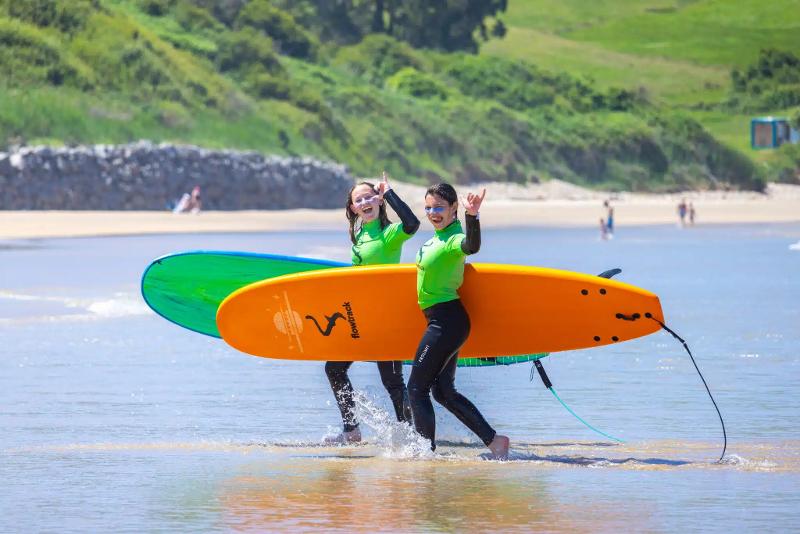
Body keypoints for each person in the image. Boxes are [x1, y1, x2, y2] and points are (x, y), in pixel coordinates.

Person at [407, 183, 510, 459]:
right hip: (443, 320)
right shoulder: (434, 239)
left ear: (454, 208)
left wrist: (472, 216)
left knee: (416, 388)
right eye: (428, 208)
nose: (432, 213)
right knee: (442, 391)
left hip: (446, 321)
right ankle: (495, 442)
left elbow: (471, 246)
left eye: (439, 207)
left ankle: (424, 453)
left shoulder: (454, 239)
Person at [324, 172, 419, 444]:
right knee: (334, 369)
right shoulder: (360, 236)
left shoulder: (389, 234)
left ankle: (411, 437)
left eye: (370, 197)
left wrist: (388, 191)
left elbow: (411, 224)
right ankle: (351, 430)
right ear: (353, 208)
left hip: (387, 318)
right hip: (361, 317)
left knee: (392, 382)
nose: (365, 202)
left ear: (378, 201)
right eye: (359, 200)